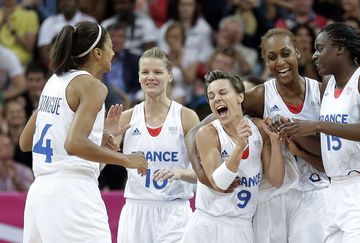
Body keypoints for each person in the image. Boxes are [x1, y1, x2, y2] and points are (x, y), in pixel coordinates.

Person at [186, 28, 329, 243]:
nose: (280, 62)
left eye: (285, 53)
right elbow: (193, 134)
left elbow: (330, 156)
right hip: (271, 194)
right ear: (265, 62)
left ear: (298, 52)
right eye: (272, 57)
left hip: (313, 189)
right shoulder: (261, 95)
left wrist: (297, 142)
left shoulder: (320, 92)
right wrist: (204, 176)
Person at [18, 21, 147, 243]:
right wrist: (126, 159)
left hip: (39, 196)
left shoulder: (53, 82)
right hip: (71, 195)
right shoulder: (93, 86)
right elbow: (74, 144)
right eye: (109, 46)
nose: (113, 51)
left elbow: (25, 142)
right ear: (97, 53)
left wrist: (98, 137)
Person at [281, 22, 360, 242]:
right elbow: (330, 154)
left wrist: (318, 125)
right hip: (335, 190)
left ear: (340, 48)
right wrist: (293, 132)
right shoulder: (327, 84)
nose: (314, 55)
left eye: (320, 48)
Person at [181, 70, 285, 243]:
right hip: (206, 224)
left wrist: (275, 141)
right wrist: (239, 148)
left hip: (241, 227)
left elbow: (276, 180)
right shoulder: (208, 133)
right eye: (211, 96)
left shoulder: (260, 129)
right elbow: (219, 183)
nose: (217, 99)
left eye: (223, 93)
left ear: (240, 97)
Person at [116, 47, 200, 243]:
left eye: (158, 72)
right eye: (145, 72)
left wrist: (180, 172)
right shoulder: (126, 118)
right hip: (136, 210)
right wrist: (108, 139)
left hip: (175, 210)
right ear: (138, 77)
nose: (150, 77)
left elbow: (204, 173)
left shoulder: (186, 117)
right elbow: (100, 166)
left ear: (170, 76)